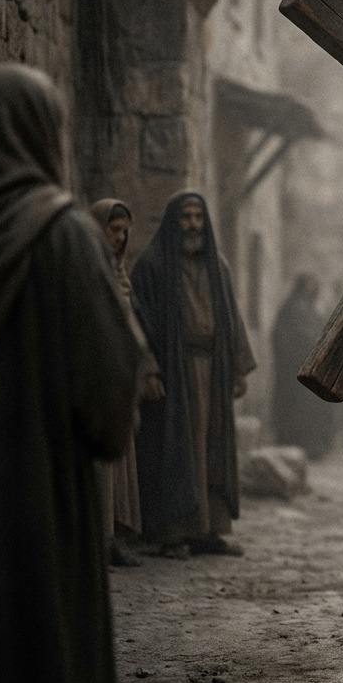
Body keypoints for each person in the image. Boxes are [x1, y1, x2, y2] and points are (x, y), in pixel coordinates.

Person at [0, 64, 145, 683]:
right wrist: (101, 438)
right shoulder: (61, 233)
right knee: (42, 643)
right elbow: (110, 376)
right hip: (39, 487)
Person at [132, 191, 256, 558]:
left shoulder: (217, 265)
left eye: (198, 217)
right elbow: (137, 322)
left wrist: (238, 368)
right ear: (174, 220)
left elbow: (231, 317)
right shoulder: (152, 265)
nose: (193, 224)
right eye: (186, 217)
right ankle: (173, 534)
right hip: (175, 371)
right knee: (178, 452)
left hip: (213, 370)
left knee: (212, 449)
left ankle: (208, 530)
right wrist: (149, 370)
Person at [89, 198, 160, 566]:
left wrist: (144, 369)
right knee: (98, 467)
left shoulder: (119, 273)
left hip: (119, 378)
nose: (119, 238)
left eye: (124, 232)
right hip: (94, 378)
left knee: (118, 467)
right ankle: (95, 539)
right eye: (113, 230)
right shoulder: (86, 268)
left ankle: (111, 535)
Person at [271, 273, 336, 457]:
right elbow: (281, 337)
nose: (311, 290)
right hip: (294, 370)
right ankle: (294, 444)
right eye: (308, 286)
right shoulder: (289, 309)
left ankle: (313, 446)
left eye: (313, 287)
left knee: (313, 408)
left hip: (312, 369)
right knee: (295, 409)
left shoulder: (313, 311)